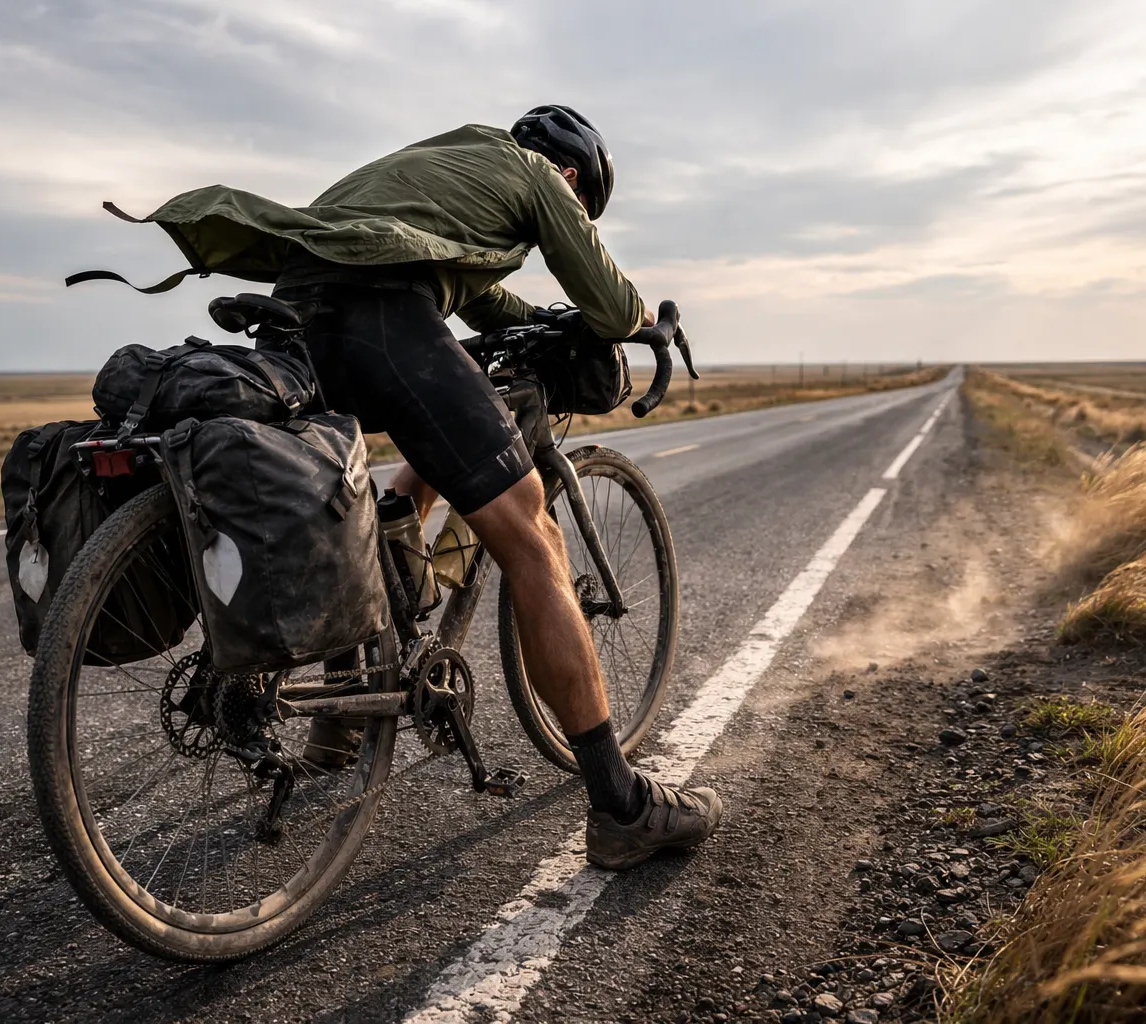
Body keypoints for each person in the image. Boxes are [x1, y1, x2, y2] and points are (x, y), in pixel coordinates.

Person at [127, 106, 722, 870]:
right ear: (572, 176)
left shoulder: (444, 168)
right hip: (380, 314)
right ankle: (622, 806)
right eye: (581, 204)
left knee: (404, 462)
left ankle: (341, 724)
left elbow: (481, 302)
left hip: (297, 317)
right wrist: (638, 320)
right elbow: (606, 300)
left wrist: (542, 318)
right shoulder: (540, 177)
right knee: (534, 538)